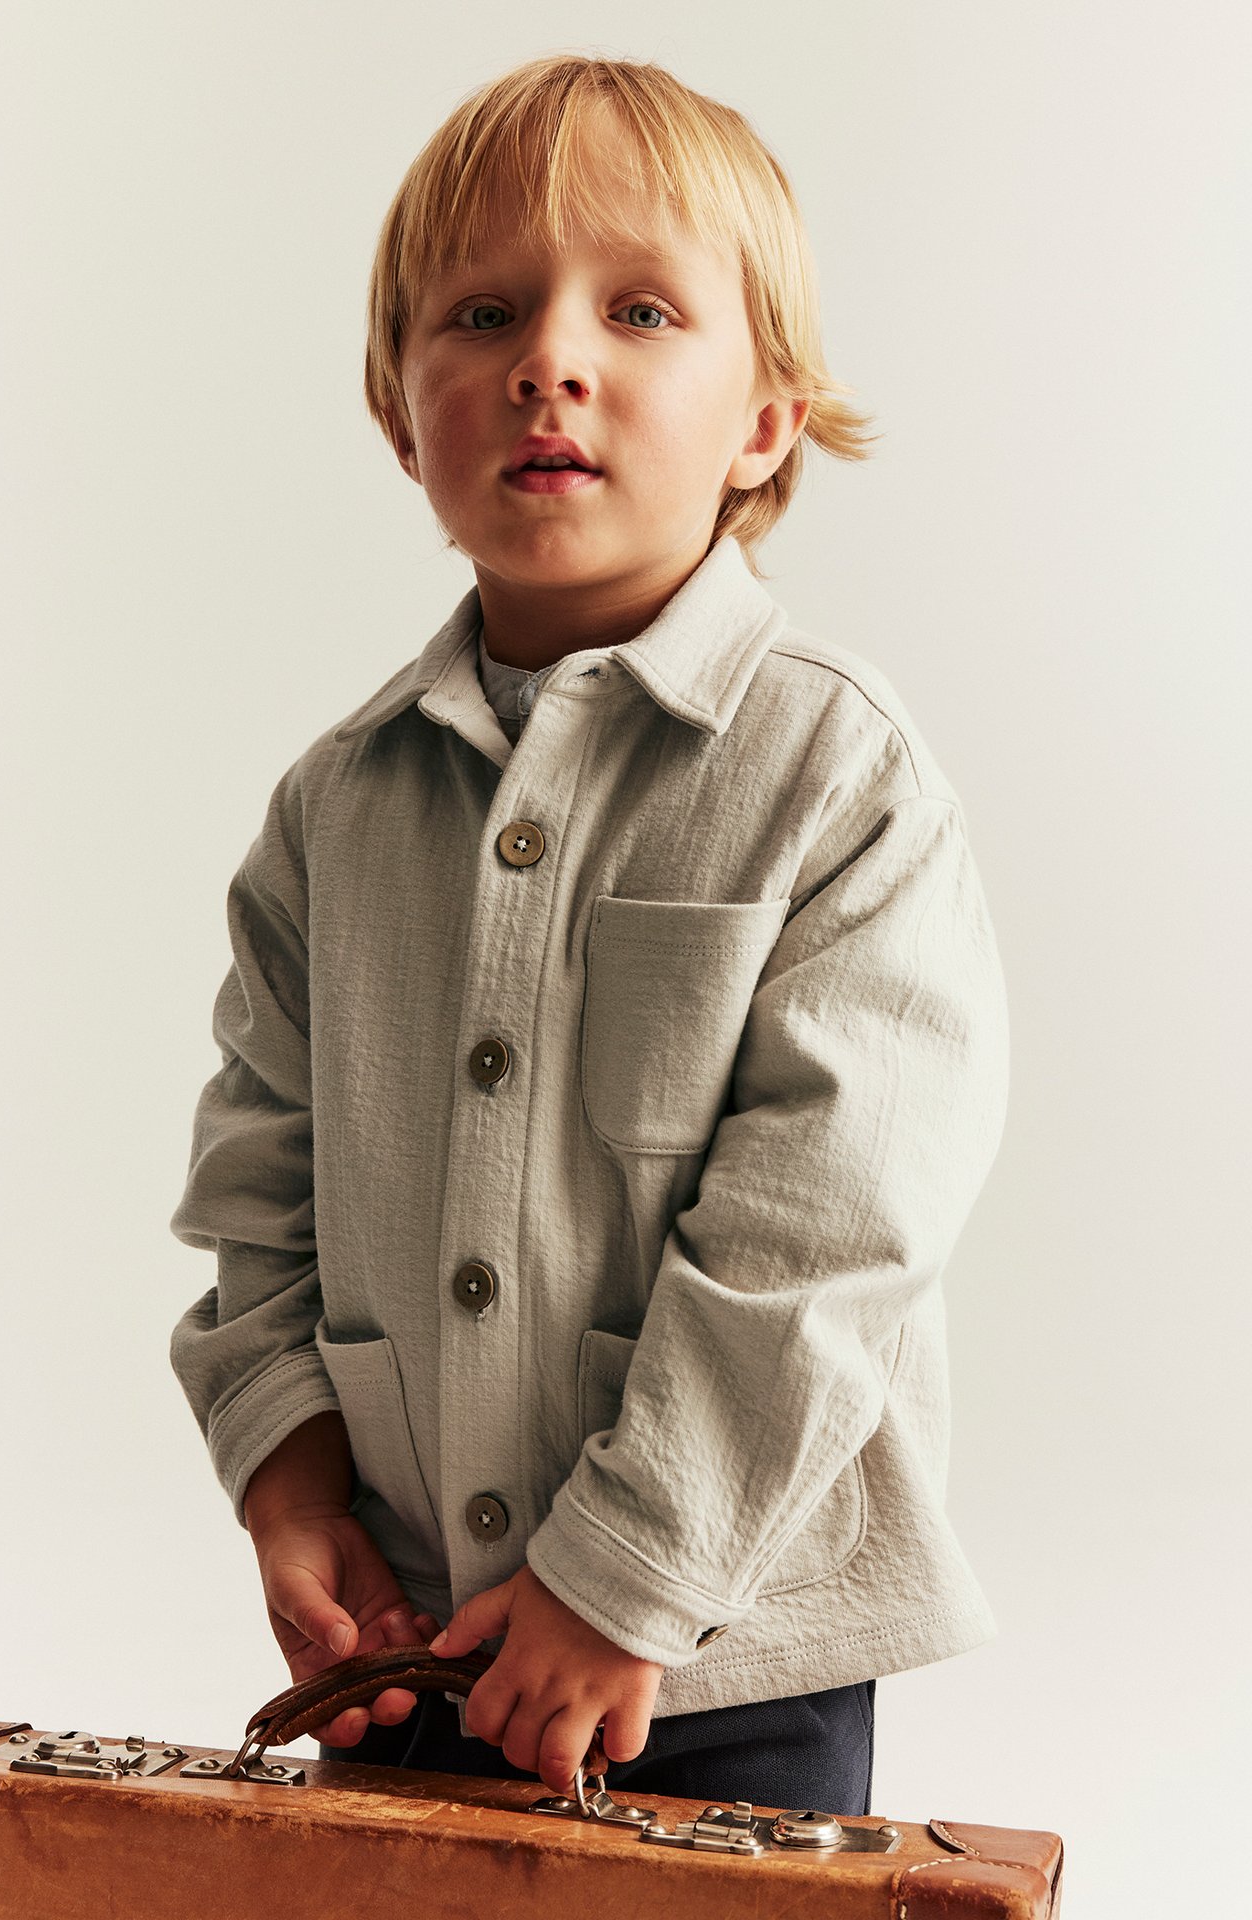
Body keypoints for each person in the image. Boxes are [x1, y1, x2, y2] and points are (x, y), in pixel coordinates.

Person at [168, 52, 1009, 1818]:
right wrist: (294, 1487)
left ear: (765, 422)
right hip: (416, 1649)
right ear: (404, 417)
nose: (551, 356)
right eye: (482, 311)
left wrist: (624, 1575)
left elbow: (830, 1230)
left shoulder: (834, 773)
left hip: (733, 1641)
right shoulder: (334, 813)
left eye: (638, 309)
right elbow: (258, 1197)